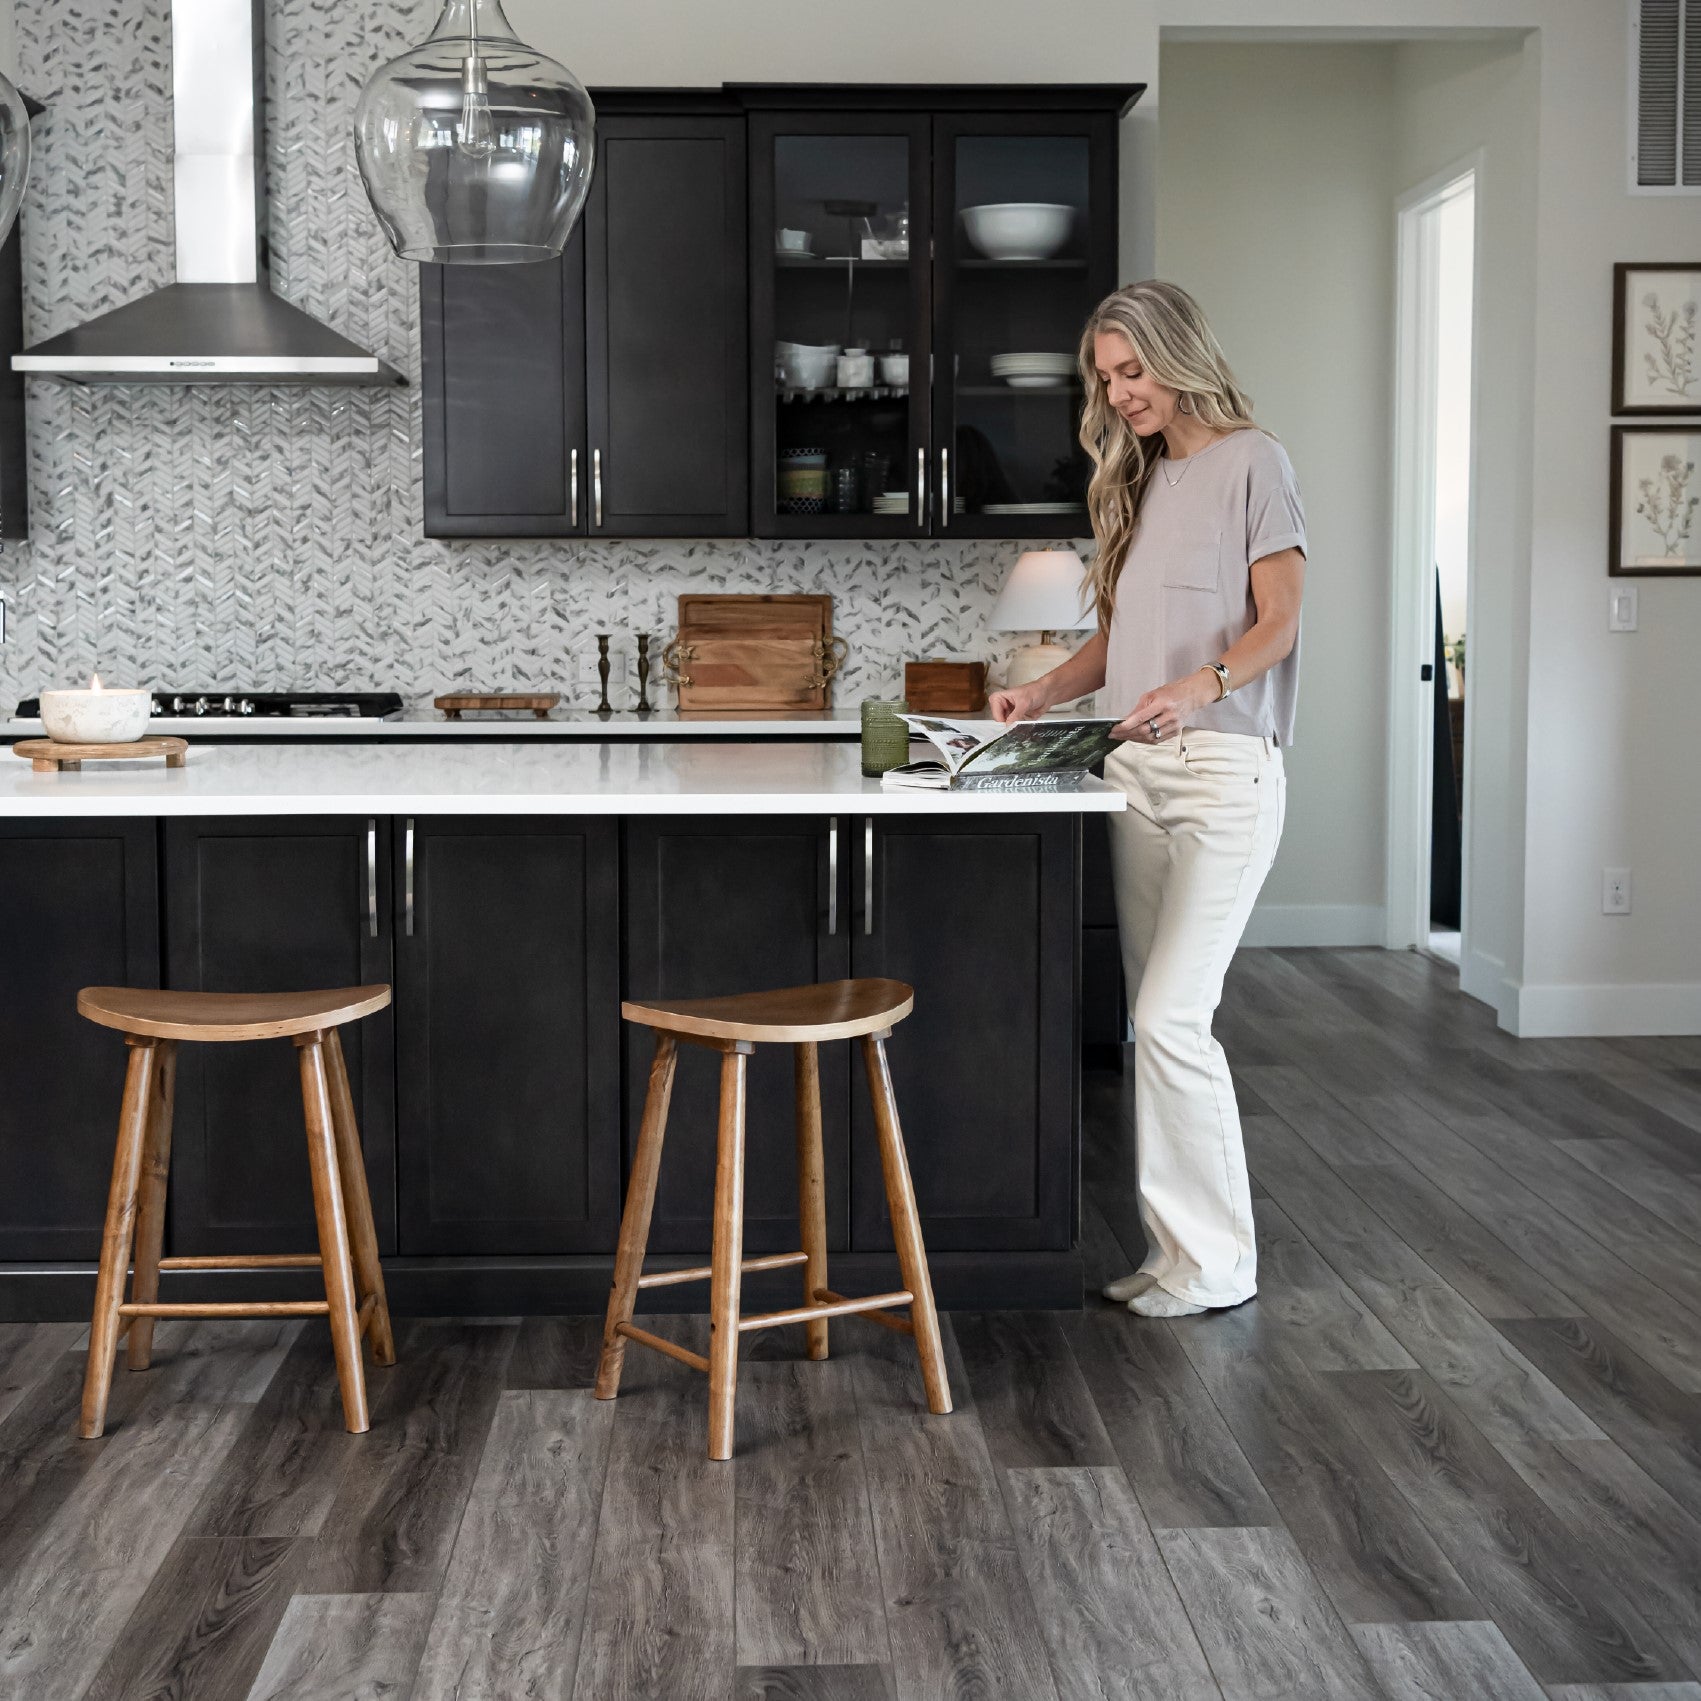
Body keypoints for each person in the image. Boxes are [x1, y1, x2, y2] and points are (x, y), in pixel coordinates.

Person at [988, 280, 1305, 1319]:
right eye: (1106, 378)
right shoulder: (1139, 480)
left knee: (1174, 1017)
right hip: (1134, 774)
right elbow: (1118, 640)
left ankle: (1217, 1266)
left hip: (1222, 772)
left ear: (1179, 355)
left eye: (1134, 371)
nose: (1120, 394)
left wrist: (1197, 688)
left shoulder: (1254, 461)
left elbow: (1278, 623)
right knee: (1148, 1022)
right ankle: (1175, 1255)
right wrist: (1044, 690)